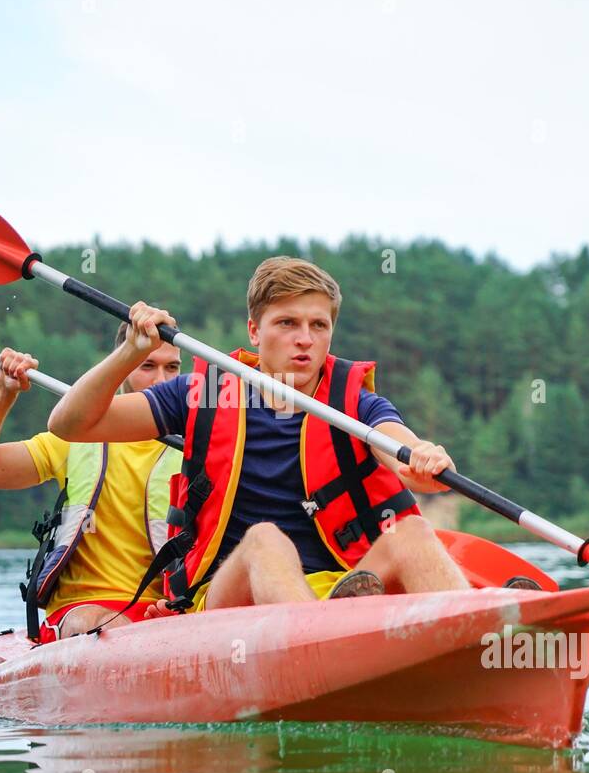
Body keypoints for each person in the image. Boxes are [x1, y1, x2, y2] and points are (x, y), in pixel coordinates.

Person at [47, 256, 472, 617]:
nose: (305, 339)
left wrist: (422, 457)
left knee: (412, 532)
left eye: (318, 325)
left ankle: (483, 637)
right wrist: (131, 352)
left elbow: (399, 449)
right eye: (287, 323)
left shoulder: (354, 402)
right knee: (266, 539)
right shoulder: (202, 393)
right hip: (227, 595)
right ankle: (319, 647)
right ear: (254, 331)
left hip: (340, 584)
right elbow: (70, 423)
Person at [0, 324, 183, 641]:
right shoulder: (74, 439)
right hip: (84, 611)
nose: (161, 381)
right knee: (111, 629)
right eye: (147, 366)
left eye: (173, 368)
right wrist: (2, 394)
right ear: (122, 367)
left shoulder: (197, 449)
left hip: (166, 613)